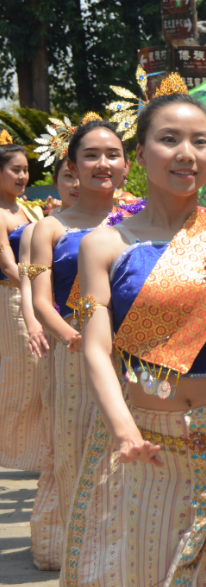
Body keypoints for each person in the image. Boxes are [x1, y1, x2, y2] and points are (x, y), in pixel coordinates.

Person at [64, 92, 206, 585]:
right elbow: (98, 348)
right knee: (145, 572)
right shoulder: (105, 245)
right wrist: (123, 430)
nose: (187, 153)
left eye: (200, 142)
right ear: (139, 153)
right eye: (170, 139)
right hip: (148, 438)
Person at [29, 120, 128, 571]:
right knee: (75, 453)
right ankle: (84, 557)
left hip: (137, 355)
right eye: (91, 155)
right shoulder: (49, 229)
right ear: (71, 166)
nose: (103, 164)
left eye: (113, 154)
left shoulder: (140, 219)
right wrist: (77, 338)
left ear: (128, 163)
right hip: (74, 358)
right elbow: (40, 302)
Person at [17, 157, 78, 570]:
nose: (77, 181)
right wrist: (60, 332)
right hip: (68, 345)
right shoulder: (47, 227)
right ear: (57, 180)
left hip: (128, 349)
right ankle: (63, 539)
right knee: (67, 441)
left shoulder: (129, 218)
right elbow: (34, 289)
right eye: (70, 174)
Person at [0, 131, 48, 475]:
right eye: (14, 170)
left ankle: (35, 447)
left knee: (42, 373)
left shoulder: (31, 209)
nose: (22, 176)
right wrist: (36, 293)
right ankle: (12, 451)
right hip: (14, 299)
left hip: (38, 298)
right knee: (20, 373)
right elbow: (6, 264)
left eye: (25, 169)